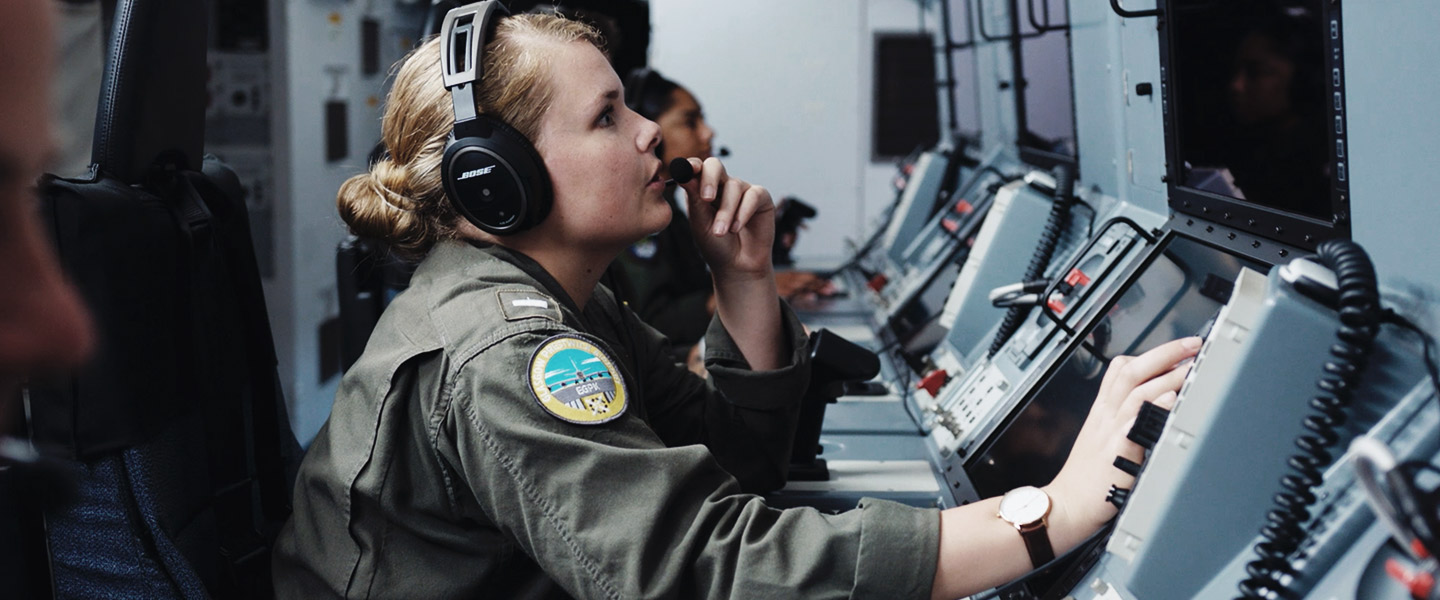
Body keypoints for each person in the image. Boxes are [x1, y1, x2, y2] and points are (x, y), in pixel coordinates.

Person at [272, 6, 1200, 599]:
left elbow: (735, 463)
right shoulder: (504, 353)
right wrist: (1052, 514)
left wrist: (742, 278)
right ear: (499, 183)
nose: (648, 133)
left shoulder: (569, 307)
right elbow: (705, 571)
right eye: (606, 117)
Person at [606, 67, 832, 366]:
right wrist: (733, 294)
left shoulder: (672, 207)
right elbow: (652, 318)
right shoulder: (638, 221)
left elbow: (693, 285)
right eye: (691, 122)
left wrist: (753, 280)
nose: (708, 132)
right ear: (652, 135)